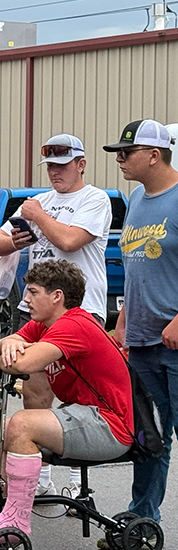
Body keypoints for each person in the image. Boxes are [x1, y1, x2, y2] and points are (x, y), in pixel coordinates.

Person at [0, 260, 132, 546]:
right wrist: (7, 345)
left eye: (33, 292)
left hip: (109, 424)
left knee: (22, 424)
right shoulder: (42, 326)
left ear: (57, 296)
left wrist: (5, 359)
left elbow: (23, 363)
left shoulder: (75, 324)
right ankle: (0, 522)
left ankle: (16, 521)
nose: (26, 299)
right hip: (82, 415)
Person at [0, 133, 111, 497]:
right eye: (51, 167)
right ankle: (41, 478)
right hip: (36, 310)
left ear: (81, 164)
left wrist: (39, 218)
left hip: (79, 311)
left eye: (63, 166)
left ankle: (78, 480)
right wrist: (16, 240)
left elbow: (71, 241)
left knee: (79, 394)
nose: (56, 173)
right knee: (36, 392)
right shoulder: (37, 201)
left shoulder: (95, 199)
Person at [104, 119, 178, 523]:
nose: (120, 159)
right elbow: (136, 267)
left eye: (126, 152)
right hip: (143, 338)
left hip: (174, 338)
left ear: (154, 155)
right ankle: (142, 515)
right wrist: (124, 322)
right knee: (149, 434)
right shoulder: (136, 198)